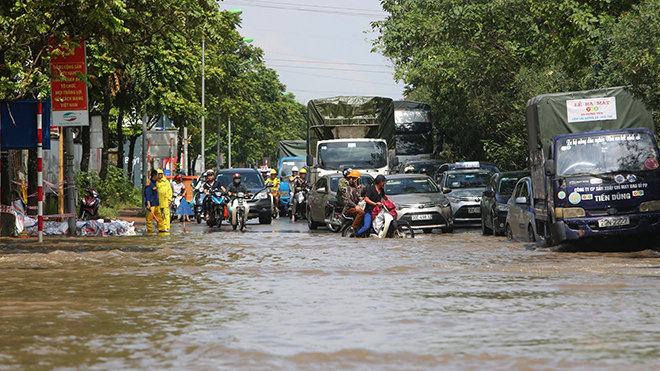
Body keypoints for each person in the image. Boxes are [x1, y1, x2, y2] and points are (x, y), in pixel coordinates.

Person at [343, 170, 365, 236]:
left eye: (351, 178)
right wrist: (355, 206)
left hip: (361, 206)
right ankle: (353, 228)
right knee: (361, 212)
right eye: (349, 178)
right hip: (350, 208)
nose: (349, 180)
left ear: (356, 179)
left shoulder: (363, 188)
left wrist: (363, 198)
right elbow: (348, 199)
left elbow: (366, 196)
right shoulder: (349, 188)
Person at [144, 169, 162, 236]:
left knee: (159, 218)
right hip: (151, 205)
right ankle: (150, 231)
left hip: (156, 204)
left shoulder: (155, 183)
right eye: (157, 175)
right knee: (149, 219)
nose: (158, 176)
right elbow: (147, 194)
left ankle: (161, 229)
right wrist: (148, 204)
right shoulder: (149, 184)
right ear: (154, 176)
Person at [156, 169, 172, 234]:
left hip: (165, 200)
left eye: (161, 174)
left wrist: (169, 199)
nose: (160, 175)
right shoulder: (155, 182)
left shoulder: (166, 182)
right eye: (158, 174)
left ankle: (167, 227)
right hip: (158, 201)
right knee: (159, 215)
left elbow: (169, 190)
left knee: (166, 214)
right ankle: (160, 227)